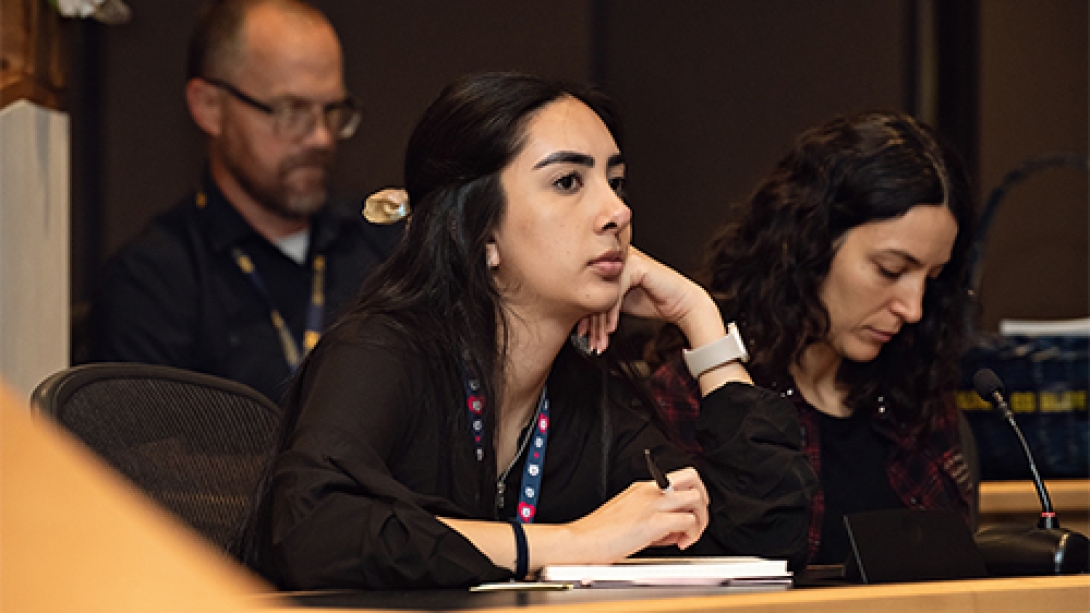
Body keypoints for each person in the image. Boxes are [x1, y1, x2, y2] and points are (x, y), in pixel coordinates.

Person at [238, 72, 816, 589]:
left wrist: (699, 319)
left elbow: (762, 545)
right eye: (568, 182)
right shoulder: (383, 348)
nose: (617, 211)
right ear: (481, 231)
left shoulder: (587, 396)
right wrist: (572, 544)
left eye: (616, 182)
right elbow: (312, 528)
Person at [649, 111, 978, 567]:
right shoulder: (704, 389)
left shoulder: (914, 388)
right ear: (810, 241)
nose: (914, 308)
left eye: (933, 277)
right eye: (891, 270)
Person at [89, 0, 402, 402]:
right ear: (210, 107)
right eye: (291, 110)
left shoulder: (384, 249)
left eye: (332, 111)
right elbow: (143, 459)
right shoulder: (154, 283)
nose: (321, 138)